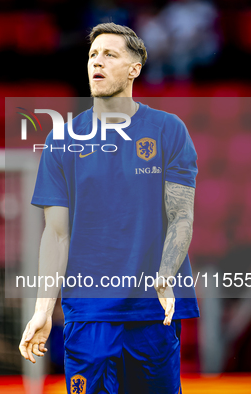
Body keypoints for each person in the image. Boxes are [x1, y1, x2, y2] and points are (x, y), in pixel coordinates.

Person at [19, 22, 199, 393]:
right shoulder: (62, 140)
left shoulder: (169, 130)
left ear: (134, 69)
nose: (96, 62)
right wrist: (41, 310)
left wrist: (166, 274)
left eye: (109, 54)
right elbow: (56, 234)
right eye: (92, 55)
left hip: (153, 312)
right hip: (88, 314)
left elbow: (181, 215)